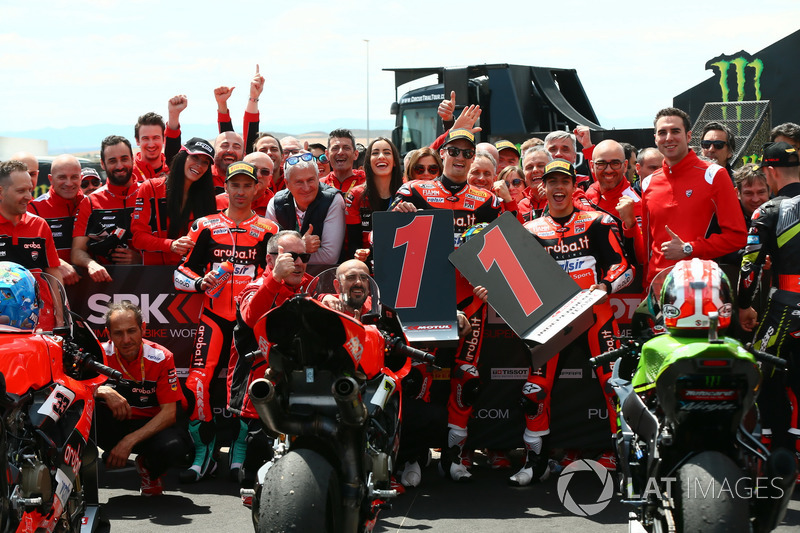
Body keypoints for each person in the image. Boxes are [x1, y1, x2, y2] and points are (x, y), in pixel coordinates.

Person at [511, 159, 633, 486]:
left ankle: (627, 465)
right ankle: (536, 462)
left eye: (564, 181)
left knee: (615, 386)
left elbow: (624, 268)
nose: (558, 188)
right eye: (551, 182)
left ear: (573, 186)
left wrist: (605, 287)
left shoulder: (598, 221)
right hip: (552, 320)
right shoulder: (529, 231)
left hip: (595, 313)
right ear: (543, 188)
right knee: (534, 391)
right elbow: (516, 282)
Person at [391, 128, 502, 482]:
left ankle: (455, 457)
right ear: (443, 154)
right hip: (426, 299)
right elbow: (391, 230)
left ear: (473, 159)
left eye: (467, 153)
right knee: (418, 377)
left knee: (465, 378)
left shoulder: (487, 200)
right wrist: (400, 210)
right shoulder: (414, 190)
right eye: (453, 150)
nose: (459, 157)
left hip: (472, 298)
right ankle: (411, 457)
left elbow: (498, 251)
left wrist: (494, 286)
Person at [175, 161, 278, 482]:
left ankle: (240, 453)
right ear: (226, 187)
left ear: (257, 189)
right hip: (213, 317)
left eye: (248, 185)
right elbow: (181, 271)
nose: (241, 191)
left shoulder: (269, 230)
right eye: (236, 185)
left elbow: (275, 275)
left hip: (250, 321)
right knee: (196, 383)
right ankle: (203, 454)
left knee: (248, 388)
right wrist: (199, 282)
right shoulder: (205, 225)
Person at [227, 230, 314, 499]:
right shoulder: (256, 287)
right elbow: (251, 317)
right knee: (260, 461)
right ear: (271, 259)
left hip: (302, 382)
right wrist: (275, 280)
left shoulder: (313, 287)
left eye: (304, 256)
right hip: (260, 385)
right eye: (291, 256)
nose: (299, 262)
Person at [738, 141, 800, 465]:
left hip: (785, 310)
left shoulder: (769, 210)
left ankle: (780, 453)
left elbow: (749, 267)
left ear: (771, 171)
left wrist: (744, 304)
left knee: (764, 379)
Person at [641, 107, 747, 284]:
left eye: (675, 131)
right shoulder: (648, 182)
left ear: (688, 136)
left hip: (700, 290)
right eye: (662, 132)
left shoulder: (714, 175)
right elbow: (647, 247)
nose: (668, 138)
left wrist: (689, 248)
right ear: (656, 138)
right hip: (658, 289)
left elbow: (738, 237)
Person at [96, 301, 188, 496]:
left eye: (131, 331)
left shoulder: (162, 357)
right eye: (118, 333)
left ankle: (148, 466)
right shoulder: (98, 355)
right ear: (108, 334)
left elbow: (170, 413)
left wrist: (128, 442)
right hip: (114, 425)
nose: (126, 339)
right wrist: (102, 391)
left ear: (143, 329)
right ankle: (79, 481)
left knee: (177, 448)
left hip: (150, 427)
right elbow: (73, 387)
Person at [130, 138, 217, 265]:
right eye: (195, 157)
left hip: (190, 276)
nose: (199, 165)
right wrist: (170, 245)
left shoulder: (207, 198)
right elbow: (138, 238)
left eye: (205, 162)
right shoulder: (150, 188)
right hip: (154, 275)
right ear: (182, 157)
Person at [72, 135, 141, 282]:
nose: (119, 166)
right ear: (102, 164)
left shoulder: (149, 194)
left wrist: (141, 258)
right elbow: (77, 251)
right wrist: (90, 264)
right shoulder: (90, 202)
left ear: (133, 159)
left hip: (152, 281)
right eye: (112, 161)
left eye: (124, 159)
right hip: (106, 284)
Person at [266, 153, 345, 270]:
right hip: (283, 277)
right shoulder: (275, 203)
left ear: (318, 177)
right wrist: (302, 246)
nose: (306, 187)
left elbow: (329, 257)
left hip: (320, 277)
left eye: (311, 180)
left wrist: (289, 254)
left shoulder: (333, 200)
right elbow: (269, 253)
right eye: (299, 182)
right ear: (287, 183)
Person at [585, 140, 645, 265]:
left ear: (625, 165)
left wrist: (630, 223)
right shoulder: (589, 193)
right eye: (601, 163)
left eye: (615, 163)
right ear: (592, 166)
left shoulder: (634, 203)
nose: (608, 170)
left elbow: (641, 259)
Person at [344, 137, 403, 262]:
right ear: (368, 162)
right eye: (375, 153)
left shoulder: (407, 192)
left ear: (395, 161)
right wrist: (359, 253)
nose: (381, 156)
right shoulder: (356, 195)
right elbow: (353, 243)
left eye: (387, 152)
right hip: (367, 268)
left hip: (401, 262)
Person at [0, 160, 61, 282]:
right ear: (1, 192)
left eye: (30, 190)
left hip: (41, 301)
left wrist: (59, 302)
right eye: (21, 191)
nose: (28, 197)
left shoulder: (39, 225)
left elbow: (54, 274)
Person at [27, 154, 84, 284]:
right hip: (51, 284)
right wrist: (56, 263)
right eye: (62, 177)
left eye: (74, 177)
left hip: (92, 286)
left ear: (81, 178)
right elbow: (27, 250)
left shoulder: (90, 204)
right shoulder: (34, 208)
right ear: (51, 179)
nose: (69, 183)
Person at [216, 151, 275, 217]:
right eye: (254, 169)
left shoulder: (276, 206)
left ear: (270, 179)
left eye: (265, 171)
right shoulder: (216, 202)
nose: (258, 175)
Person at [321, 129, 366, 194]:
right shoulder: (320, 186)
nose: (340, 152)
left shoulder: (367, 183)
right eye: (335, 148)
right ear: (327, 154)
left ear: (355, 154)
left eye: (346, 148)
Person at [132, 112, 171, 181]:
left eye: (156, 138)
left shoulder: (172, 170)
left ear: (164, 139)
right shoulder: (129, 172)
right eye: (145, 138)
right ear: (137, 140)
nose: (151, 145)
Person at [518, 145, 551, 220]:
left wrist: (552, 198)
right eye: (529, 167)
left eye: (541, 165)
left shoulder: (567, 196)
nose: (535, 170)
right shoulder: (521, 205)